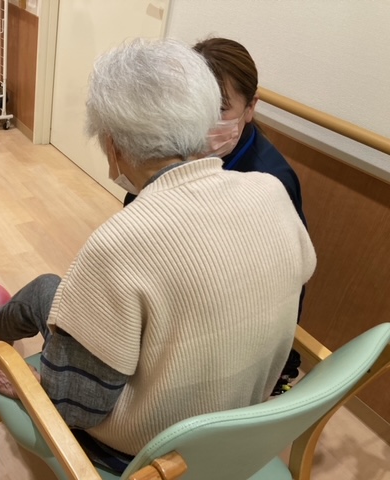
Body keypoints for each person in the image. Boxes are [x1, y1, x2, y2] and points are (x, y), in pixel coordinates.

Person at [0, 38, 317, 472]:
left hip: (147, 450)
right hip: (243, 423)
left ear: (113, 144)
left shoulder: (118, 243)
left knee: (47, 292)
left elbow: (79, 408)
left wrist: (31, 386)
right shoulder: (272, 189)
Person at [125, 37, 308, 394]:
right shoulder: (173, 144)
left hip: (223, 327)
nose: (205, 119)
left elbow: (284, 280)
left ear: (251, 107)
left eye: (221, 108)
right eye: (196, 102)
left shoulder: (270, 181)